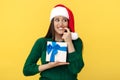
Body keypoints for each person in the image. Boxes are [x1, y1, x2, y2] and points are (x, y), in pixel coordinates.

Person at [23, 4, 84, 80]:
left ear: (68, 23)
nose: (61, 24)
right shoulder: (41, 42)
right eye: (57, 20)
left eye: (64, 20)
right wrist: (49, 65)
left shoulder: (76, 42)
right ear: (52, 22)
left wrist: (69, 42)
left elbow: (76, 69)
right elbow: (27, 70)